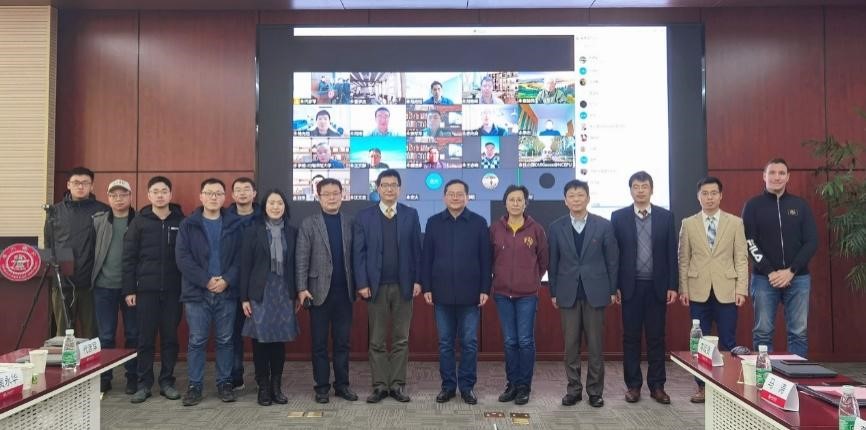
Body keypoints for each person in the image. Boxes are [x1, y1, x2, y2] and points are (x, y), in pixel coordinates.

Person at [353, 170, 423, 404]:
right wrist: (362, 283)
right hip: (375, 287)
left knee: (401, 338)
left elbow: (417, 250)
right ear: (378, 189)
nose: (389, 189)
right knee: (377, 340)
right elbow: (359, 253)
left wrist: (418, 280)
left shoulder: (411, 214)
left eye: (394, 185)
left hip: (404, 286)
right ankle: (380, 385)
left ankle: (397, 384)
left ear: (399, 189)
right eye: (385, 185)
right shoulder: (364, 216)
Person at [548, 179, 618, 408]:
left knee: (596, 346)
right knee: (570, 346)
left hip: (596, 292)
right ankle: (574, 390)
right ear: (565, 200)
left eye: (580, 195)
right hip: (567, 292)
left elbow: (612, 260)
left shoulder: (603, 225)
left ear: (588, 198)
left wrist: (612, 289)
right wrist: (553, 292)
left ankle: (595, 392)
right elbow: (553, 262)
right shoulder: (556, 227)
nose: (576, 199)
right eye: (571, 196)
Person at [422, 179, 492, 405]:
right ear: (444, 197)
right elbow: (426, 258)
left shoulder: (479, 223)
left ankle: (467, 387)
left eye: (459, 194)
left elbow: (486, 259)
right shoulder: (433, 222)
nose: (455, 197)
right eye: (451, 193)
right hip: (441, 293)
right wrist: (426, 286)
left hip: (471, 294)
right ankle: (448, 386)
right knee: (445, 343)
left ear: (467, 197)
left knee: (469, 342)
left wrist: (485, 288)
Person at [679, 176, 748, 403]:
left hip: (727, 290)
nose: (709, 197)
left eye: (713, 193)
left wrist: (741, 289)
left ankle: (727, 388)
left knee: (728, 341)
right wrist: (684, 288)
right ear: (698, 197)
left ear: (721, 196)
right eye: (705, 194)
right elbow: (683, 259)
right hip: (697, 290)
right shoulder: (688, 223)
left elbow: (741, 258)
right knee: (700, 342)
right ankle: (702, 387)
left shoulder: (735, 223)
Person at [610, 171, 677, 405]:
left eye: (644, 186)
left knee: (657, 338)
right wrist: (615, 286)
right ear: (630, 190)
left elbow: (671, 253)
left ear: (651, 189)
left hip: (657, 287)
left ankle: (657, 386)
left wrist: (672, 285)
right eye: (636, 187)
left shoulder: (666, 217)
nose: (640, 190)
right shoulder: (618, 217)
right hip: (630, 287)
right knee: (631, 338)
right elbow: (614, 256)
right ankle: (633, 386)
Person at [176, 178, 244, 406]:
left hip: (227, 291)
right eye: (209, 193)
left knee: (225, 340)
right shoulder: (188, 225)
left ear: (225, 197)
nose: (214, 197)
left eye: (218, 193)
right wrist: (206, 281)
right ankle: (194, 386)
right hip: (197, 293)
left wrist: (227, 280)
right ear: (201, 196)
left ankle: (225, 383)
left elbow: (241, 258)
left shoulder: (234, 224)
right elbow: (183, 258)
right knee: (197, 341)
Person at [742, 158, 817, 358]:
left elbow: (811, 242)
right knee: (762, 333)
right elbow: (749, 242)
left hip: (798, 278)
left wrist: (791, 271)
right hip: (764, 278)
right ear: (764, 176)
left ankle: (796, 376)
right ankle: (765, 375)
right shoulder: (752, 206)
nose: (777, 177)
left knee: (798, 333)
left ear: (788, 177)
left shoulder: (800, 205)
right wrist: (770, 271)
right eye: (772, 173)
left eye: (781, 173)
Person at [123, 176, 185, 403]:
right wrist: (129, 290)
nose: (160, 195)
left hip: (173, 291)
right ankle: (144, 384)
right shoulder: (139, 222)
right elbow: (128, 258)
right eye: (155, 191)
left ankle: (167, 382)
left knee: (170, 338)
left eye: (164, 191)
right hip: (145, 291)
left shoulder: (181, 221)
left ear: (170, 194)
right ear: (148, 195)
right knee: (145, 339)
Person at [296, 178, 358, 404]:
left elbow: (357, 256)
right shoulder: (309, 223)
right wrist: (301, 288)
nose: (332, 197)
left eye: (335, 193)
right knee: (319, 344)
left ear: (342, 195)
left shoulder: (350, 222)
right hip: (317, 292)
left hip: (345, 293)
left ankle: (342, 385)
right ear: (318, 197)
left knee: (342, 343)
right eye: (326, 194)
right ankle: (321, 386)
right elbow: (301, 257)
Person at [240, 189, 299, 407]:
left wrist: (297, 293)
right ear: (264, 206)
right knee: (260, 341)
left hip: (284, 291)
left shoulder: (292, 232)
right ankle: (263, 386)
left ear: (285, 207)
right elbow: (245, 266)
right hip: (260, 292)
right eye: (271, 203)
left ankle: (276, 386)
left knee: (278, 341)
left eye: (279, 203)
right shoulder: (252, 232)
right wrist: (244, 298)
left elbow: (296, 265)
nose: (276, 207)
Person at [490, 185, 548, 405]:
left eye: (519, 200)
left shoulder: (536, 229)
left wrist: (531, 280)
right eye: (511, 199)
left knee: (525, 341)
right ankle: (512, 384)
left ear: (525, 203)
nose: (515, 203)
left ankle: (524, 386)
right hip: (502, 294)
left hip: (527, 295)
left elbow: (543, 261)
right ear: (505, 203)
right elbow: (489, 258)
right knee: (509, 341)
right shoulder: (495, 229)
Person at [45, 166, 110, 339]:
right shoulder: (55, 212)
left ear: (92, 186)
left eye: (85, 183)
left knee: (92, 335)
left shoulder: (103, 211)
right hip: (62, 284)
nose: (80, 186)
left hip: (92, 284)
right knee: (63, 335)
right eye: (76, 182)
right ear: (68, 185)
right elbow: (49, 245)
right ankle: (65, 358)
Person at [92, 179, 137, 394]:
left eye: (123, 194)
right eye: (114, 195)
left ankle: (133, 377)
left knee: (133, 334)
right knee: (106, 336)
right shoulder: (98, 221)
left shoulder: (139, 221)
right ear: (108, 198)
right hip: (103, 287)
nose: (118, 199)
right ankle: (105, 377)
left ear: (130, 196)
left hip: (132, 289)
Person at [227, 177, 260, 391]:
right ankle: (235, 376)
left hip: (257, 285)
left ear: (254, 193)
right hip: (231, 286)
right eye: (237, 190)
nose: (242, 193)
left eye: (246, 189)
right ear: (232, 195)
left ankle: (261, 377)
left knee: (260, 334)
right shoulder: (224, 218)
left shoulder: (264, 218)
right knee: (233, 334)